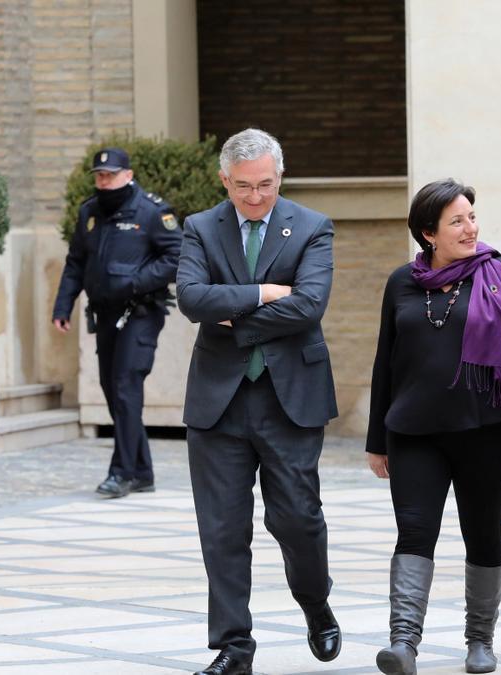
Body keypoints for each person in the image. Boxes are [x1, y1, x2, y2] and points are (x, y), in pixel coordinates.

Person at [366, 179, 501, 675]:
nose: (471, 228)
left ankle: (480, 641)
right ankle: (403, 643)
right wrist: (376, 439)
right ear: (429, 233)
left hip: (487, 429)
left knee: (482, 532)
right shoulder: (402, 282)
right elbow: (387, 361)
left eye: (471, 217)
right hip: (414, 431)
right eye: (457, 221)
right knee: (414, 532)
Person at [175, 128, 340, 675]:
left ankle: (315, 604)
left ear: (280, 176)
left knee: (297, 518)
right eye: (243, 187)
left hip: (288, 397)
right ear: (225, 180)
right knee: (222, 528)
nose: (254, 198)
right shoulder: (200, 228)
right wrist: (266, 293)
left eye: (265, 185)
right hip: (217, 403)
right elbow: (192, 299)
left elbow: (310, 306)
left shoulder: (312, 227)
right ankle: (234, 647)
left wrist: (235, 318)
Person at [52, 147, 181, 499]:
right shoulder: (90, 213)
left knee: (125, 388)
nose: (103, 181)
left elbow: (177, 256)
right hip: (105, 315)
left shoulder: (152, 212)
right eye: (99, 175)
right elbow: (76, 261)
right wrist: (63, 305)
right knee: (114, 392)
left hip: (140, 314)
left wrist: (135, 282)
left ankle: (122, 473)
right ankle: (142, 472)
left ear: (128, 174)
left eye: (110, 175)